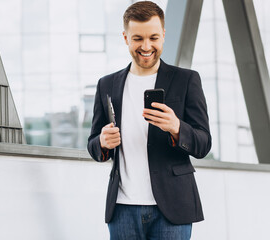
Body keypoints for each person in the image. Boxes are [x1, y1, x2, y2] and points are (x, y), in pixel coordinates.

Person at [87, 1, 212, 239]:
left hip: (173, 208)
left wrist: (177, 128)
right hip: (122, 208)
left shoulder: (187, 80)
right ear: (125, 38)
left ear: (164, 35)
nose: (146, 46)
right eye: (138, 39)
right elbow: (93, 144)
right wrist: (102, 142)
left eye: (154, 37)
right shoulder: (107, 84)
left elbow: (204, 143)